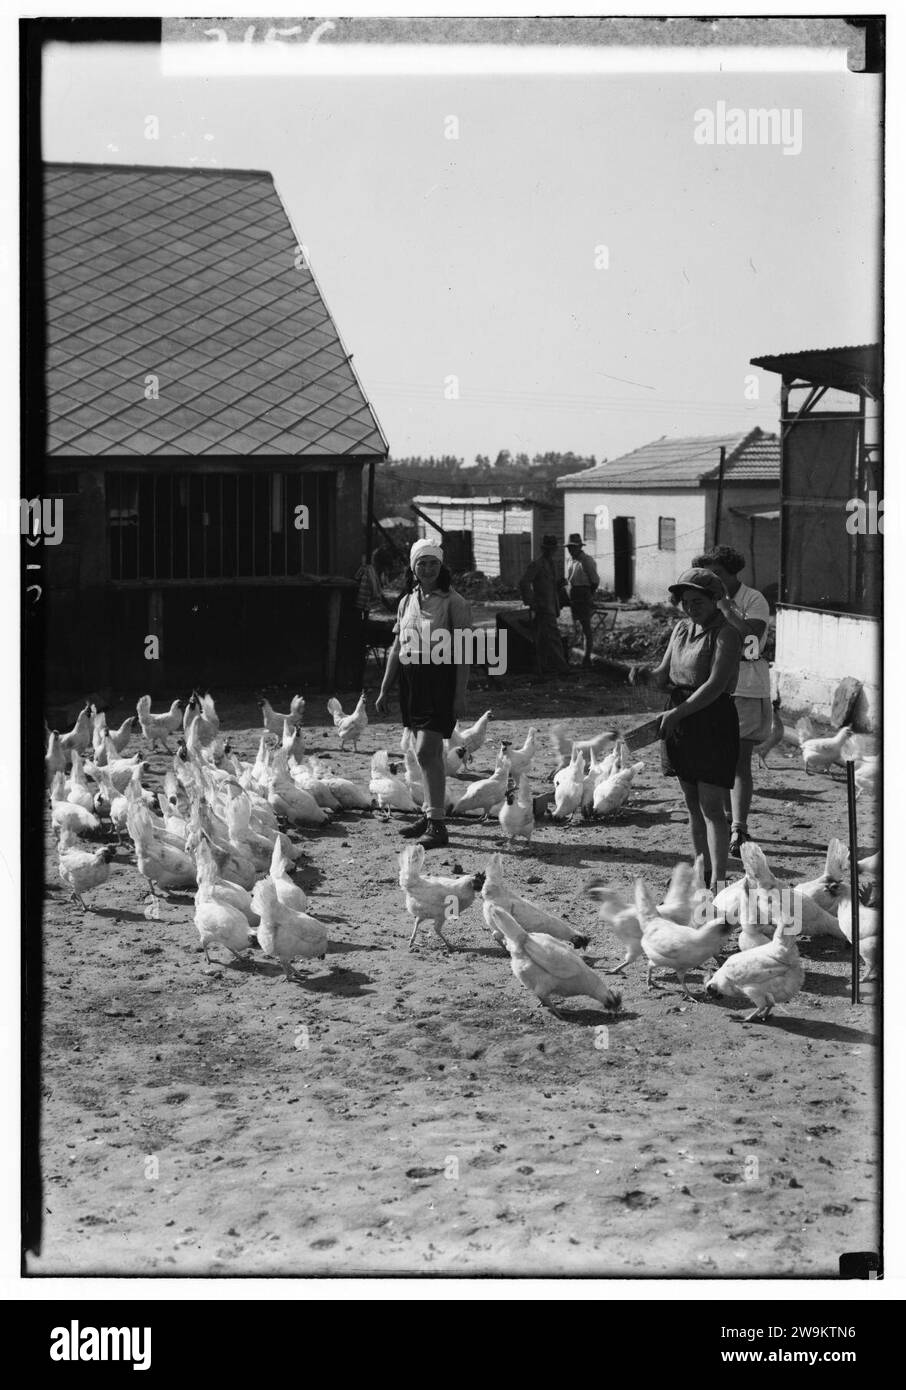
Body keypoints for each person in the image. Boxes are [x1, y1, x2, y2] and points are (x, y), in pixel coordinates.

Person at [631, 567, 742, 891]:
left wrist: (678, 713)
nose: (691, 607)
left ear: (714, 600)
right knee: (691, 802)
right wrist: (644, 675)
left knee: (711, 805)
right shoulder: (681, 629)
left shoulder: (726, 634)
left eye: (699, 601)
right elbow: (664, 676)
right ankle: (701, 871)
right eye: (686, 601)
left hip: (712, 720)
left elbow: (716, 684)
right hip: (680, 720)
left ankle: (720, 880)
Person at [375, 539, 471, 849]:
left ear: (441, 566)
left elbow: (464, 653)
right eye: (421, 563)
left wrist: (459, 695)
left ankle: (438, 826)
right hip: (411, 680)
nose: (427, 568)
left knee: (429, 751)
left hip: (438, 680)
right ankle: (431, 816)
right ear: (413, 567)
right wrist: (384, 688)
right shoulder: (406, 601)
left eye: (432, 563)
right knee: (420, 752)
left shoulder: (454, 602)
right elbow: (397, 648)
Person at [692, 545, 771, 857]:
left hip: (747, 685)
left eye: (718, 574)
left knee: (739, 761)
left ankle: (739, 828)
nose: (713, 580)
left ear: (732, 572)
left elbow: (751, 643)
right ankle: (724, 822)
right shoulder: (704, 599)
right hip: (716, 686)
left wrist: (726, 608)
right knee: (716, 759)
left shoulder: (753, 599)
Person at [518, 535, 571, 676]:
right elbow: (524, 582)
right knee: (554, 637)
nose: (551, 551)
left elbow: (550, 586)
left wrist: (559, 585)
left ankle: (542, 667)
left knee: (541, 639)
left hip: (551, 606)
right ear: (543, 549)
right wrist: (531, 601)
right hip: (543, 606)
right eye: (548, 549)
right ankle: (562, 668)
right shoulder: (537, 564)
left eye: (553, 549)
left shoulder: (551, 564)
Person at [565, 533, 600, 667]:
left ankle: (586, 658)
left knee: (586, 627)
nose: (570, 549)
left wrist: (589, 595)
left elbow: (595, 581)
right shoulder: (570, 560)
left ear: (579, 547)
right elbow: (570, 579)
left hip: (584, 593)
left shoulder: (586, 561)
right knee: (576, 626)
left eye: (573, 547)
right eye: (569, 547)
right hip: (574, 593)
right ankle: (577, 654)